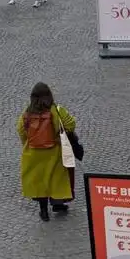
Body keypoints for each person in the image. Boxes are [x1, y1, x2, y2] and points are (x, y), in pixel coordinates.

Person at [17, 82, 76, 221]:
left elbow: (21, 130)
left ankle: (43, 211)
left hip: (33, 153)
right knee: (56, 179)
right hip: (54, 151)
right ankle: (58, 204)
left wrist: (27, 143)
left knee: (39, 181)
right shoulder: (57, 110)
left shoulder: (27, 113)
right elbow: (70, 124)